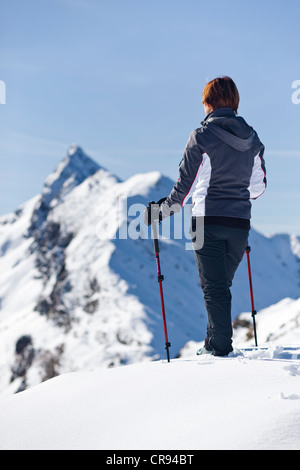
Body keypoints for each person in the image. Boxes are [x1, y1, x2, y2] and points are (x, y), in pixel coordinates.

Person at [145, 76, 266, 357]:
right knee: (220, 285)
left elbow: (183, 190)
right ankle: (211, 343)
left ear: (208, 103)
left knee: (213, 287)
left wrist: (160, 212)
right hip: (239, 223)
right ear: (234, 102)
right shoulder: (252, 139)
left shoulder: (200, 137)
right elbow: (258, 187)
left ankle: (220, 348)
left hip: (205, 221)